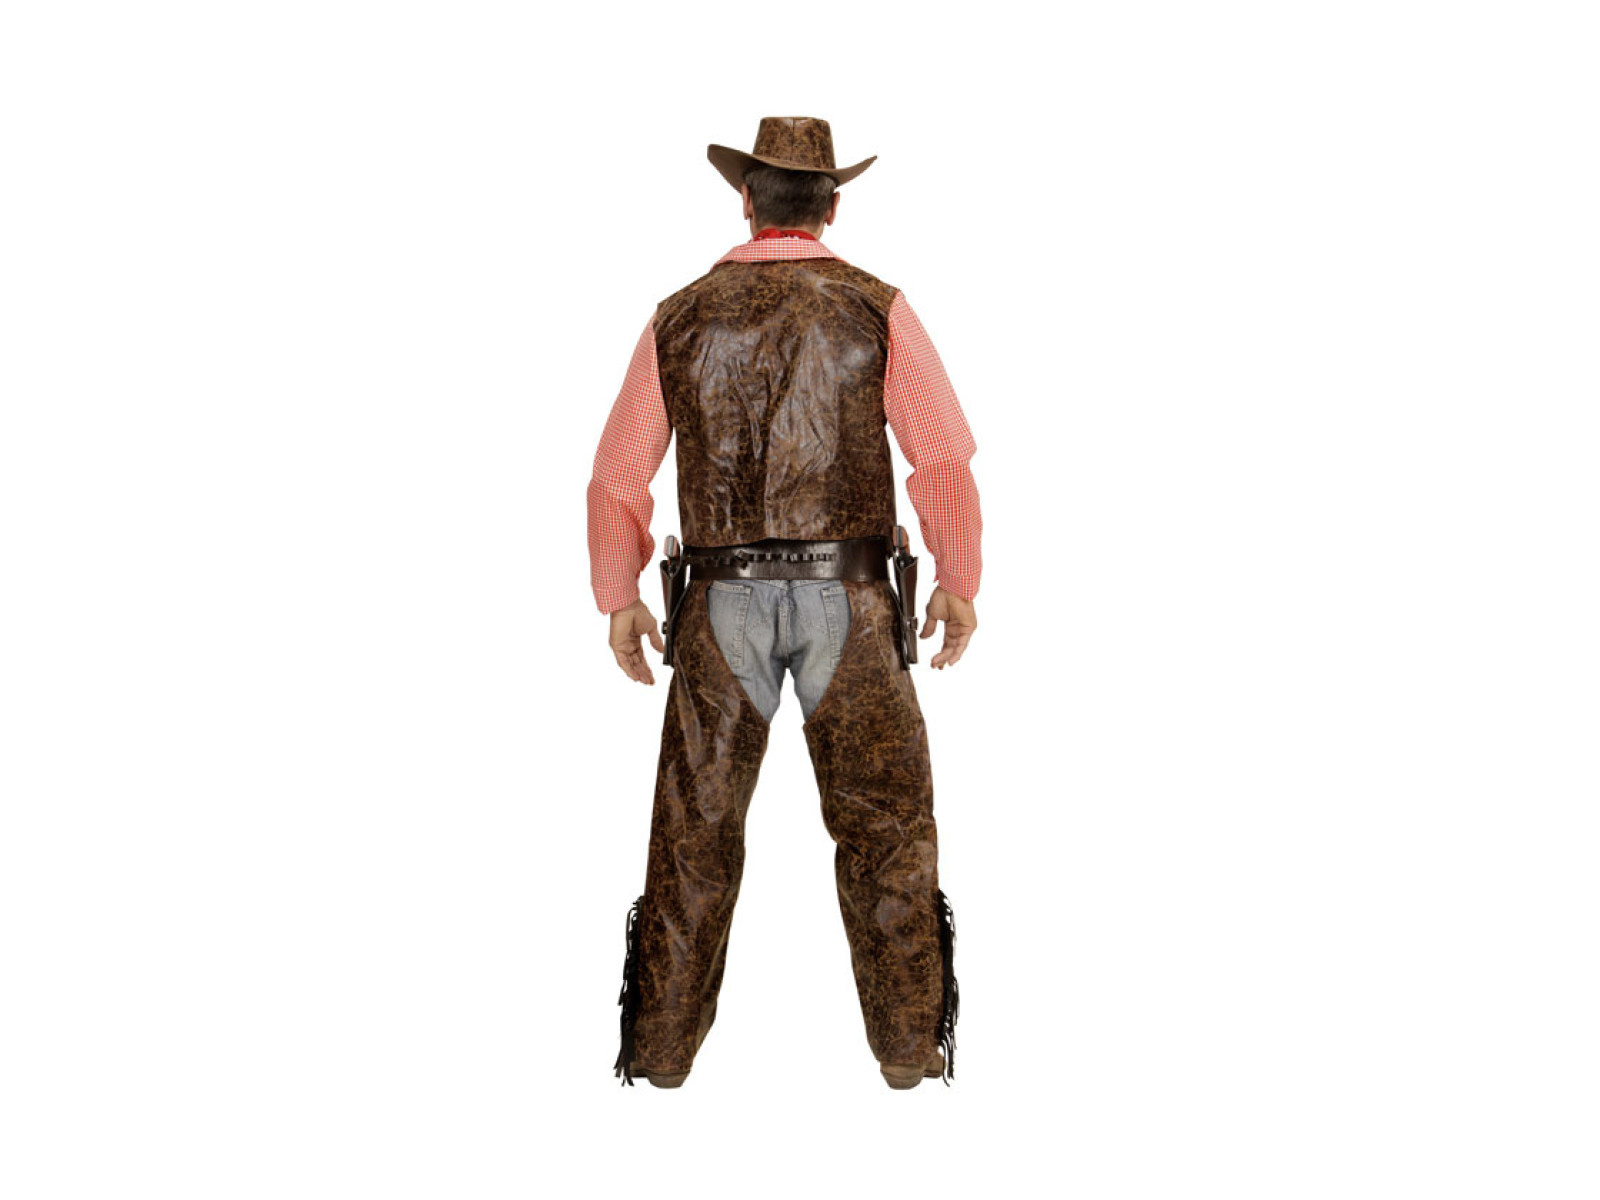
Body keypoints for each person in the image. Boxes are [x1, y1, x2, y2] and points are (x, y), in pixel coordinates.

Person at [586, 116, 983, 1089]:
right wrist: (957, 580)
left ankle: (661, 1058)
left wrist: (618, 594)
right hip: (853, 598)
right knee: (886, 829)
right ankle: (907, 1055)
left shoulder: (679, 316)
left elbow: (617, 479)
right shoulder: (878, 308)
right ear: (832, 207)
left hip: (718, 603)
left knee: (694, 834)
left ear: (745, 201)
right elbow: (941, 457)